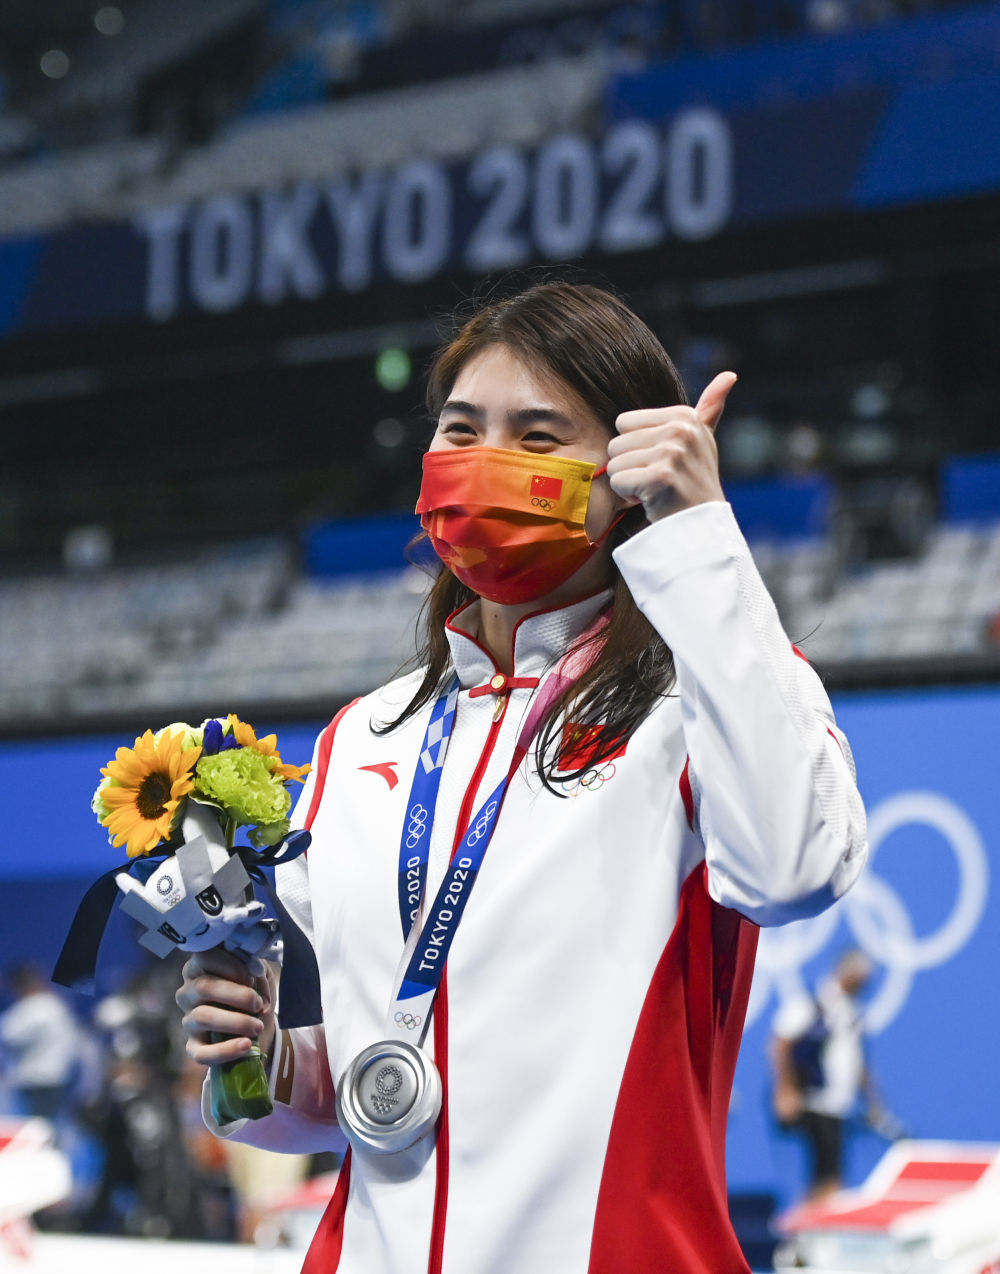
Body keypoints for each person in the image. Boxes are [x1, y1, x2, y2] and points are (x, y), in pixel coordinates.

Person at [176, 279, 868, 1274]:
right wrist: (271, 1066)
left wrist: (701, 530)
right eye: (462, 429)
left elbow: (795, 869)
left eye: (537, 438)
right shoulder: (359, 737)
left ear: (625, 470)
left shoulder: (706, 703)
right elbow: (382, 1081)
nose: (486, 462)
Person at [770, 948, 879, 1201]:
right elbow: (781, 1045)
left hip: (838, 1105)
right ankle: (807, 1233)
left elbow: (857, 1062)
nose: (865, 984)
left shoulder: (852, 1012)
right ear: (847, 973)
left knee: (830, 1176)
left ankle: (812, 1230)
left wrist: (873, 1104)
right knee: (828, 1178)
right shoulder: (811, 1004)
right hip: (812, 1101)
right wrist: (785, 1090)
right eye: (861, 977)